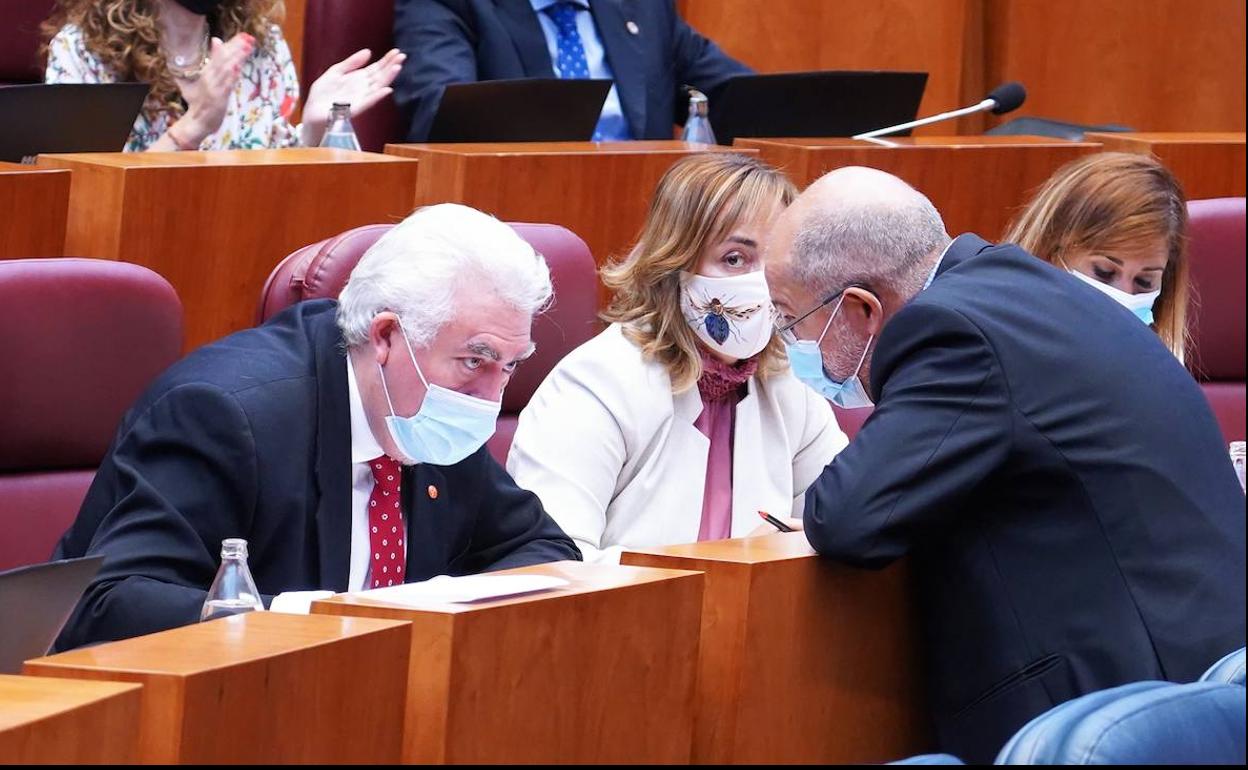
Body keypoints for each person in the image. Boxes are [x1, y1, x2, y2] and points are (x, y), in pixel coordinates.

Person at [765, 166, 1245, 763]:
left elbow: (847, 517)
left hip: (1131, 708)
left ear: (862, 309)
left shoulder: (953, 329)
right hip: (1205, 688)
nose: (787, 343)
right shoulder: (1033, 293)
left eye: (788, 319)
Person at [52, 203, 580, 650]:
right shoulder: (225, 415)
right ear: (386, 337)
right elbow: (108, 603)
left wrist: (431, 609)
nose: (490, 398)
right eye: (474, 360)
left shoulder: (434, 414)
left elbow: (544, 552)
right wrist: (307, 625)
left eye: (510, 365)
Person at [507, 154, 847, 563]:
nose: (760, 281)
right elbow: (554, 564)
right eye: (734, 259)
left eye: (774, 260)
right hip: (625, 623)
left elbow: (839, 523)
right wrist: (725, 570)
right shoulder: (596, 383)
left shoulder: (791, 382)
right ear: (675, 265)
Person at [44, 0, 404, 151]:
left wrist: (312, 128)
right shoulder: (81, 50)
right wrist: (194, 125)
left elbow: (268, 178)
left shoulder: (260, 44)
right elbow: (88, 195)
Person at [392, 0, 751, 142]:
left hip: (652, 225)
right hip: (512, 219)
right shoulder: (446, 3)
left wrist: (801, 107)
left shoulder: (642, 7)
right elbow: (443, 115)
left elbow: (734, 96)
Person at [1004, 152, 1190, 360]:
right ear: (1049, 252)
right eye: (1104, 272)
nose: (1124, 298)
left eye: (1144, 282)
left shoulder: (1164, 361)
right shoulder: (992, 346)